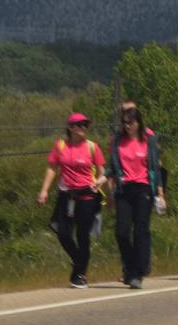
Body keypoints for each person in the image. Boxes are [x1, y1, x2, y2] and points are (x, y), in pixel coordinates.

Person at [38, 113, 107, 289]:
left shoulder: (92, 147)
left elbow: (102, 171)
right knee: (62, 233)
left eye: (85, 125)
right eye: (79, 125)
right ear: (70, 127)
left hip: (87, 196)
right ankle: (79, 260)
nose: (83, 128)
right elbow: (52, 168)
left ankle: (79, 275)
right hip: (66, 195)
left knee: (82, 235)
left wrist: (100, 181)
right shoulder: (61, 146)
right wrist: (44, 190)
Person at [109, 106, 164, 289]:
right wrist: (106, 185)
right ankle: (130, 267)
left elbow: (156, 168)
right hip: (124, 189)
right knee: (122, 232)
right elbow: (112, 166)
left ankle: (137, 273)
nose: (127, 126)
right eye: (124, 123)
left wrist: (160, 193)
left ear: (138, 122)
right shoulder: (117, 141)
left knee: (141, 230)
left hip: (144, 188)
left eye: (130, 122)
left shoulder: (148, 140)